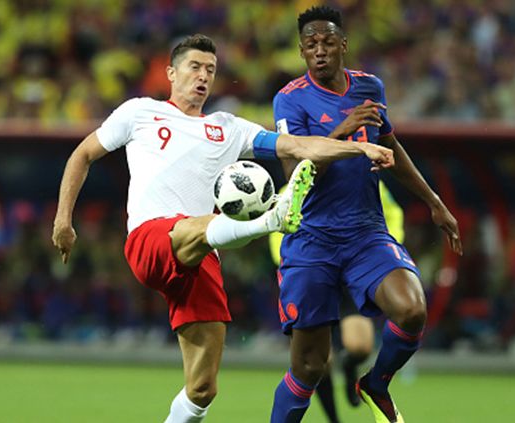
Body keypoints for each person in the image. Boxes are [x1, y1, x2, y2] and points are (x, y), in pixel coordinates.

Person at [51, 34, 395, 423]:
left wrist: (360, 147)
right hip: (152, 239)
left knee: (202, 390)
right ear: (171, 73)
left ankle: (271, 218)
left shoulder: (227, 128)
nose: (203, 77)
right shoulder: (139, 113)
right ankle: (273, 218)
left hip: (202, 257)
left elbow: (298, 147)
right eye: (194, 67)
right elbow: (83, 154)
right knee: (189, 228)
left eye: (210, 70)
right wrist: (64, 219)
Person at [269, 7, 463, 423]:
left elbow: (391, 144)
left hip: (365, 234)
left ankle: (375, 383)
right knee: (307, 367)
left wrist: (434, 202)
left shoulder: (369, 87)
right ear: (302, 51)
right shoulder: (289, 98)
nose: (318, 51)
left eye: (326, 42)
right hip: (311, 239)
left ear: (343, 45)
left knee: (412, 311)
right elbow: (295, 172)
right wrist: (342, 130)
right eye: (310, 45)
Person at [268, 182, 405, 423]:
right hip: (311, 272)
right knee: (319, 362)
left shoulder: (364, 178)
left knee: (360, 346)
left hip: (351, 271)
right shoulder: (295, 185)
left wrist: (385, 246)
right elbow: (277, 228)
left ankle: (352, 369)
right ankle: (334, 420)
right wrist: (291, 265)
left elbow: (392, 213)